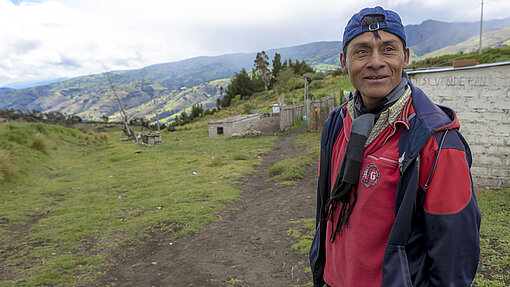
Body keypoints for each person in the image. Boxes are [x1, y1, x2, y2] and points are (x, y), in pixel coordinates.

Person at [309, 6, 481, 287]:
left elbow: (455, 255)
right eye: (361, 51)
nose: (376, 62)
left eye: (388, 49)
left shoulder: (436, 141)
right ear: (344, 61)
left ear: (406, 57)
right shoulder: (336, 124)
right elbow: (326, 212)